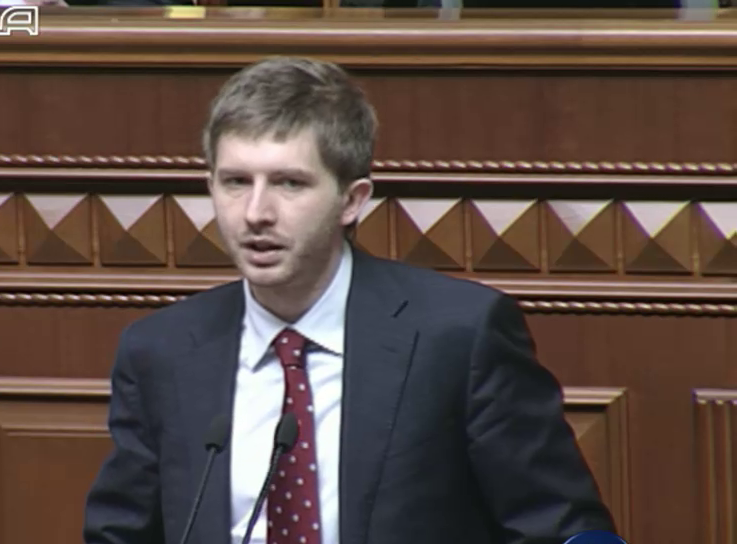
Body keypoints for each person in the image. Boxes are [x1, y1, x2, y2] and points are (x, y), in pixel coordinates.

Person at [83, 56, 618, 544]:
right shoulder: (162, 352)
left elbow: (563, 529)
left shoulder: (458, 338)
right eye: (236, 181)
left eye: (290, 183)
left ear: (351, 200)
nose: (255, 213)